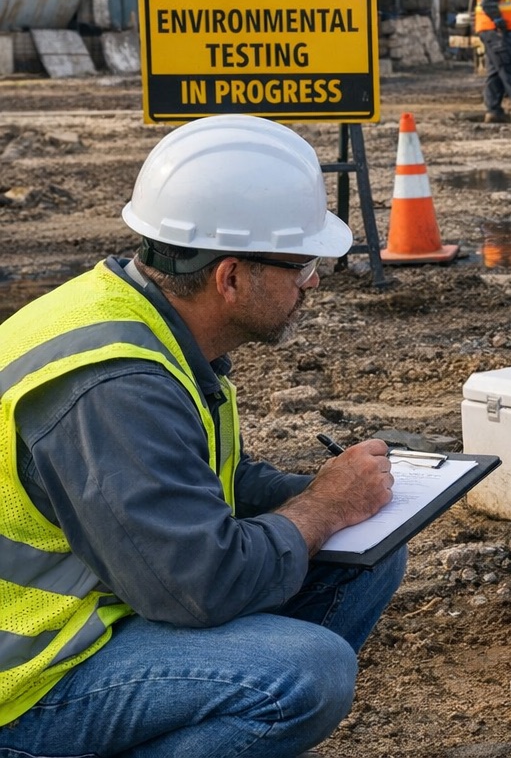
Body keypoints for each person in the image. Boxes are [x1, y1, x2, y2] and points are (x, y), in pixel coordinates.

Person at [0, 114, 406, 756]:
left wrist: (334, 492)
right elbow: (197, 587)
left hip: (102, 608)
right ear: (231, 277)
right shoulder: (116, 386)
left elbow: (197, 482)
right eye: (301, 264)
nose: (313, 281)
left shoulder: (148, 321)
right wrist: (322, 509)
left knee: (371, 546)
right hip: (26, 680)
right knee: (304, 673)